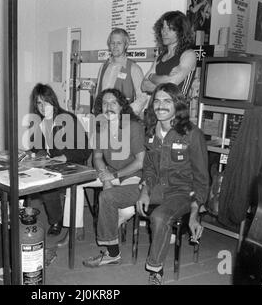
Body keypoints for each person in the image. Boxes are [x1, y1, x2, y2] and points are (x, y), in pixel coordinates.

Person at [83, 83, 209, 286]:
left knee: (159, 217)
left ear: (178, 105)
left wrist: (195, 210)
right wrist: (145, 190)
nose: (161, 105)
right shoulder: (151, 131)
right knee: (106, 196)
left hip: (183, 192)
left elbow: (202, 178)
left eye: (167, 101)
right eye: (157, 101)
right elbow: (149, 168)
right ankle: (112, 253)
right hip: (157, 187)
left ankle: (155, 269)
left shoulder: (192, 134)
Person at [58, 88, 145, 246]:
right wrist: (105, 177)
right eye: (105, 103)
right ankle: (75, 229)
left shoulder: (134, 126)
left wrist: (114, 176)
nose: (108, 106)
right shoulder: (101, 126)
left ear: (121, 106)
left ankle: (108, 229)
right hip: (109, 172)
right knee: (73, 184)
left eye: (113, 103)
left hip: (132, 175)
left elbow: (140, 162)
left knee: (127, 211)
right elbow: (97, 157)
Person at [28, 83, 91, 236]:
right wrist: (28, 155)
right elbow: (36, 146)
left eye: (46, 101)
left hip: (74, 163)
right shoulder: (42, 123)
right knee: (33, 175)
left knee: (46, 181)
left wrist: (64, 157)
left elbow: (85, 150)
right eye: (39, 103)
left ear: (53, 101)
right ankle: (55, 218)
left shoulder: (67, 119)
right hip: (55, 164)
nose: (43, 107)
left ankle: (55, 220)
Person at [141, 11, 196, 98]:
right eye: (163, 28)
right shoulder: (160, 57)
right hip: (156, 107)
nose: (164, 32)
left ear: (181, 32)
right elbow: (144, 86)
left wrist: (152, 77)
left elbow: (171, 83)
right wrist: (164, 81)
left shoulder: (188, 55)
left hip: (177, 109)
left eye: (170, 29)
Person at [96, 28, 149, 117]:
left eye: (119, 43)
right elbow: (98, 95)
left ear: (126, 45)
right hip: (104, 118)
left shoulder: (134, 68)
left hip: (124, 121)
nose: (115, 46)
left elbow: (142, 98)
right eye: (113, 43)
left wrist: (126, 114)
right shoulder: (103, 67)